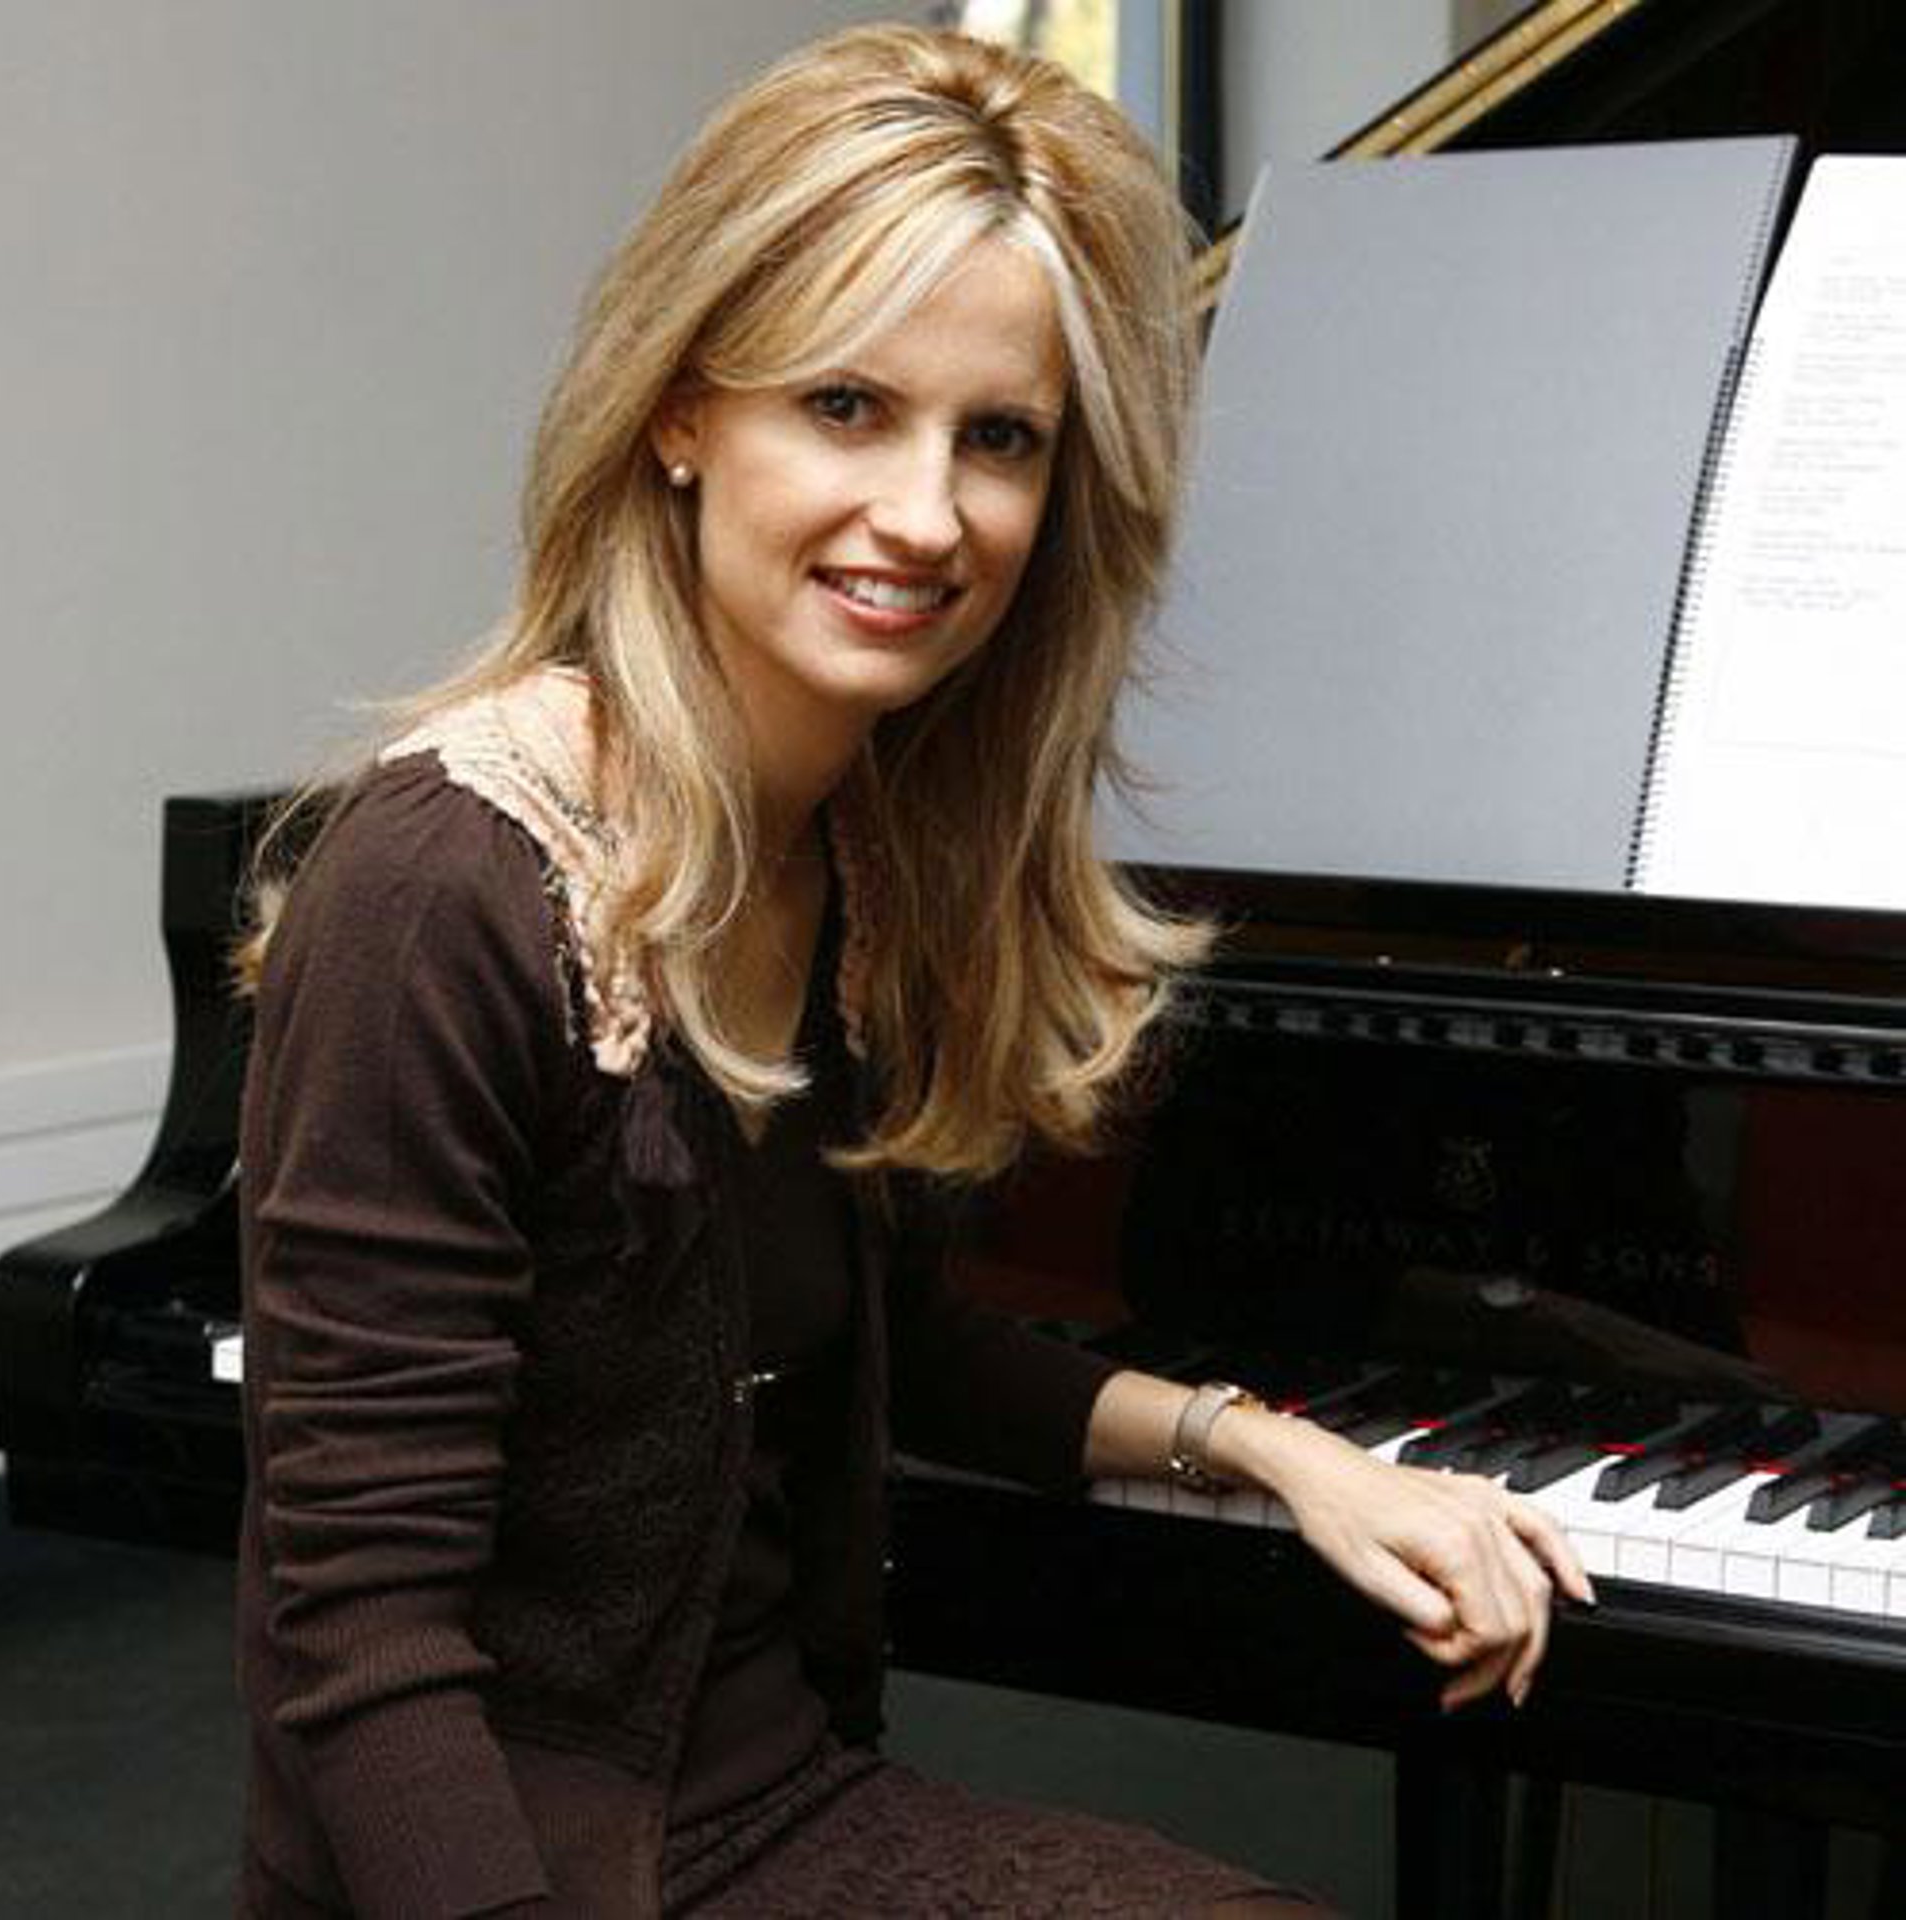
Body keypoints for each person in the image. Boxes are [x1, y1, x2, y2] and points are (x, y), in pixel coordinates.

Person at [233, 24, 1591, 1917]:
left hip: (777, 1811)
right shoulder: (444, 888)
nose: (930, 515)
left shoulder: (854, 849)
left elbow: (895, 1342)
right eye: (847, 405)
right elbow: (356, 1649)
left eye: (998, 438)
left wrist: (1282, 1455)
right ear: (682, 414)